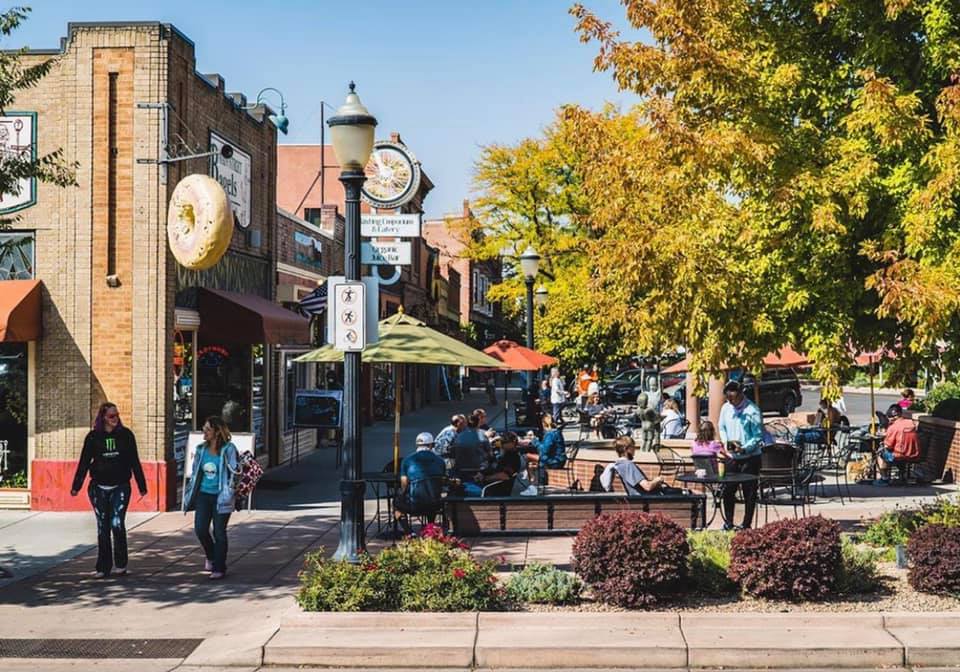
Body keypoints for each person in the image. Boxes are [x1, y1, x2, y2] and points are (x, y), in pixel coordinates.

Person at [70, 402, 147, 578]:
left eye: (117, 415)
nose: (116, 419)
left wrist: (142, 485)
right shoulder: (93, 437)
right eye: (112, 416)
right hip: (98, 487)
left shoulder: (126, 435)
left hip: (120, 485)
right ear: (103, 417)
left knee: (117, 523)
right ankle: (103, 567)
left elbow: (134, 460)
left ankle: (121, 564)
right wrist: (76, 486)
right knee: (103, 526)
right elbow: (84, 462)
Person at [183, 416, 239, 580]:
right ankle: (211, 555)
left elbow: (235, 472)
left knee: (219, 531)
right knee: (200, 529)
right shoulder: (200, 449)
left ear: (217, 431)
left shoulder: (228, 449)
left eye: (208, 429)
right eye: (204, 429)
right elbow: (195, 473)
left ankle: (219, 567)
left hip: (222, 496)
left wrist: (232, 489)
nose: (204, 432)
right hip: (203, 495)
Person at [717, 380, 763, 530]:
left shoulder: (753, 411)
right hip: (732, 457)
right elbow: (721, 426)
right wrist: (725, 442)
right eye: (728, 398)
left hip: (750, 458)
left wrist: (745, 448)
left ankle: (746, 524)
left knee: (749, 492)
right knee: (728, 491)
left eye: (733, 397)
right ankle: (728, 522)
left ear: (740, 394)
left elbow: (757, 436)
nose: (730, 400)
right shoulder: (726, 408)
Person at [394, 432, 447, 534]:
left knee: (397, 506)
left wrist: (402, 494)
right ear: (432, 445)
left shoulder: (408, 460)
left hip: (414, 504)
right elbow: (442, 480)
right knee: (431, 497)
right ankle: (429, 528)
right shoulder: (440, 461)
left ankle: (409, 532)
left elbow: (404, 483)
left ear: (417, 444)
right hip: (435, 504)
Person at [599, 436, 666, 494]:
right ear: (626, 449)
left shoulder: (620, 464)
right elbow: (647, 487)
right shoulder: (628, 465)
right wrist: (658, 480)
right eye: (633, 447)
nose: (634, 449)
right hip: (645, 500)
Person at [876, 404, 921, 486]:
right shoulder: (912, 423)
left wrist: (883, 440)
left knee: (880, 453)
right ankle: (902, 475)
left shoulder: (893, 427)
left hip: (899, 455)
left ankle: (884, 478)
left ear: (891, 417)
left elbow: (888, 445)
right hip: (914, 454)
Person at [452, 409, 492, 481]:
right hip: (478, 469)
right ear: (478, 423)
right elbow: (490, 453)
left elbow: (454, 452)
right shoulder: (482, 435)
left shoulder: (458, 436)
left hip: (461, 469)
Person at [531, 414, 566, 484]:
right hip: (560, 459)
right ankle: (535, 482)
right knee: (533, 462)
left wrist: (535, 441)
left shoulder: (550, 434)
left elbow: (544, 450)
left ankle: (534, 483)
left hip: (554, 461)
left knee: (527, 457)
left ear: (544, 424)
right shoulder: (556, 432)